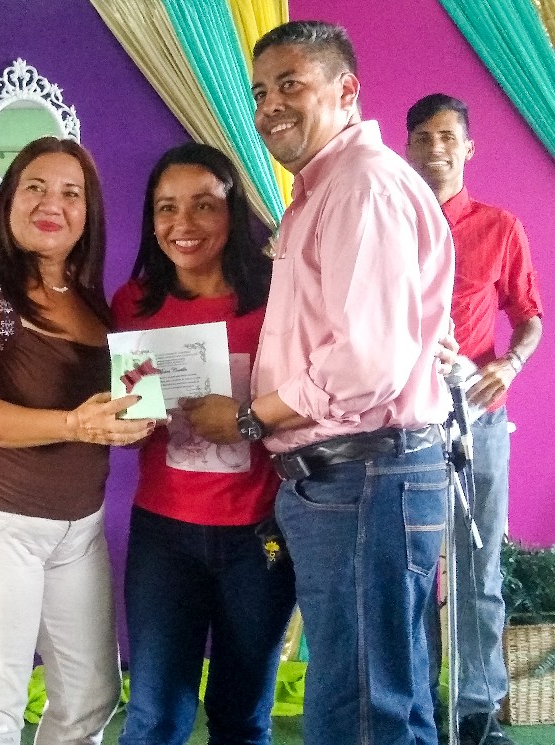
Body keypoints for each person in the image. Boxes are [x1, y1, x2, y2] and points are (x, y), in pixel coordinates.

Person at [179, 21, 456, 744]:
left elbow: (366, 360)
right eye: (259, 92)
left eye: (290, 85)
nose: (269, 105)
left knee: (355, 707)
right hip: (352, 479)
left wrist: (250, 417)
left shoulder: (360, 187)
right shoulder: (324, 190)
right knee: (384, 694)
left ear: (346, 89)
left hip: (364, 475)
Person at [0, 136, 155, 745]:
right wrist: (74, 424)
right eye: (35, 187)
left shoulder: (94, 306)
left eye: (71, 193)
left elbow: (105, 413)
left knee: (91, 696)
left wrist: (130, 424)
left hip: (78, 528)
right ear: (8, 202)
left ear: (88, 214)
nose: (53, 203)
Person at [112, 143, 296, 745]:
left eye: (203, 205)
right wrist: (128, 423)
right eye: (166, 207)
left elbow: (320, 397)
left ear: (232, 211)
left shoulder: (279, 298)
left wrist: (244, 420)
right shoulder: (133, 303)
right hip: (163, 535)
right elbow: (122, 422)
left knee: (242, 716)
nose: (183, 223)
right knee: (155, 717)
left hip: (261, 535)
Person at [406, 93, 544, 745]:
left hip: (476, 417)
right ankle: (415, 706)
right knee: (409, 568)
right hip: (402, 418)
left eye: (447, 137)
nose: (435, 148)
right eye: (423, 137)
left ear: (468, 148)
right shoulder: (389, 228)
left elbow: (529, 317)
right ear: (407, 147)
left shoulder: (500, 227)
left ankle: (476, 710)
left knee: (477, 567)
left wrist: (509, 365)